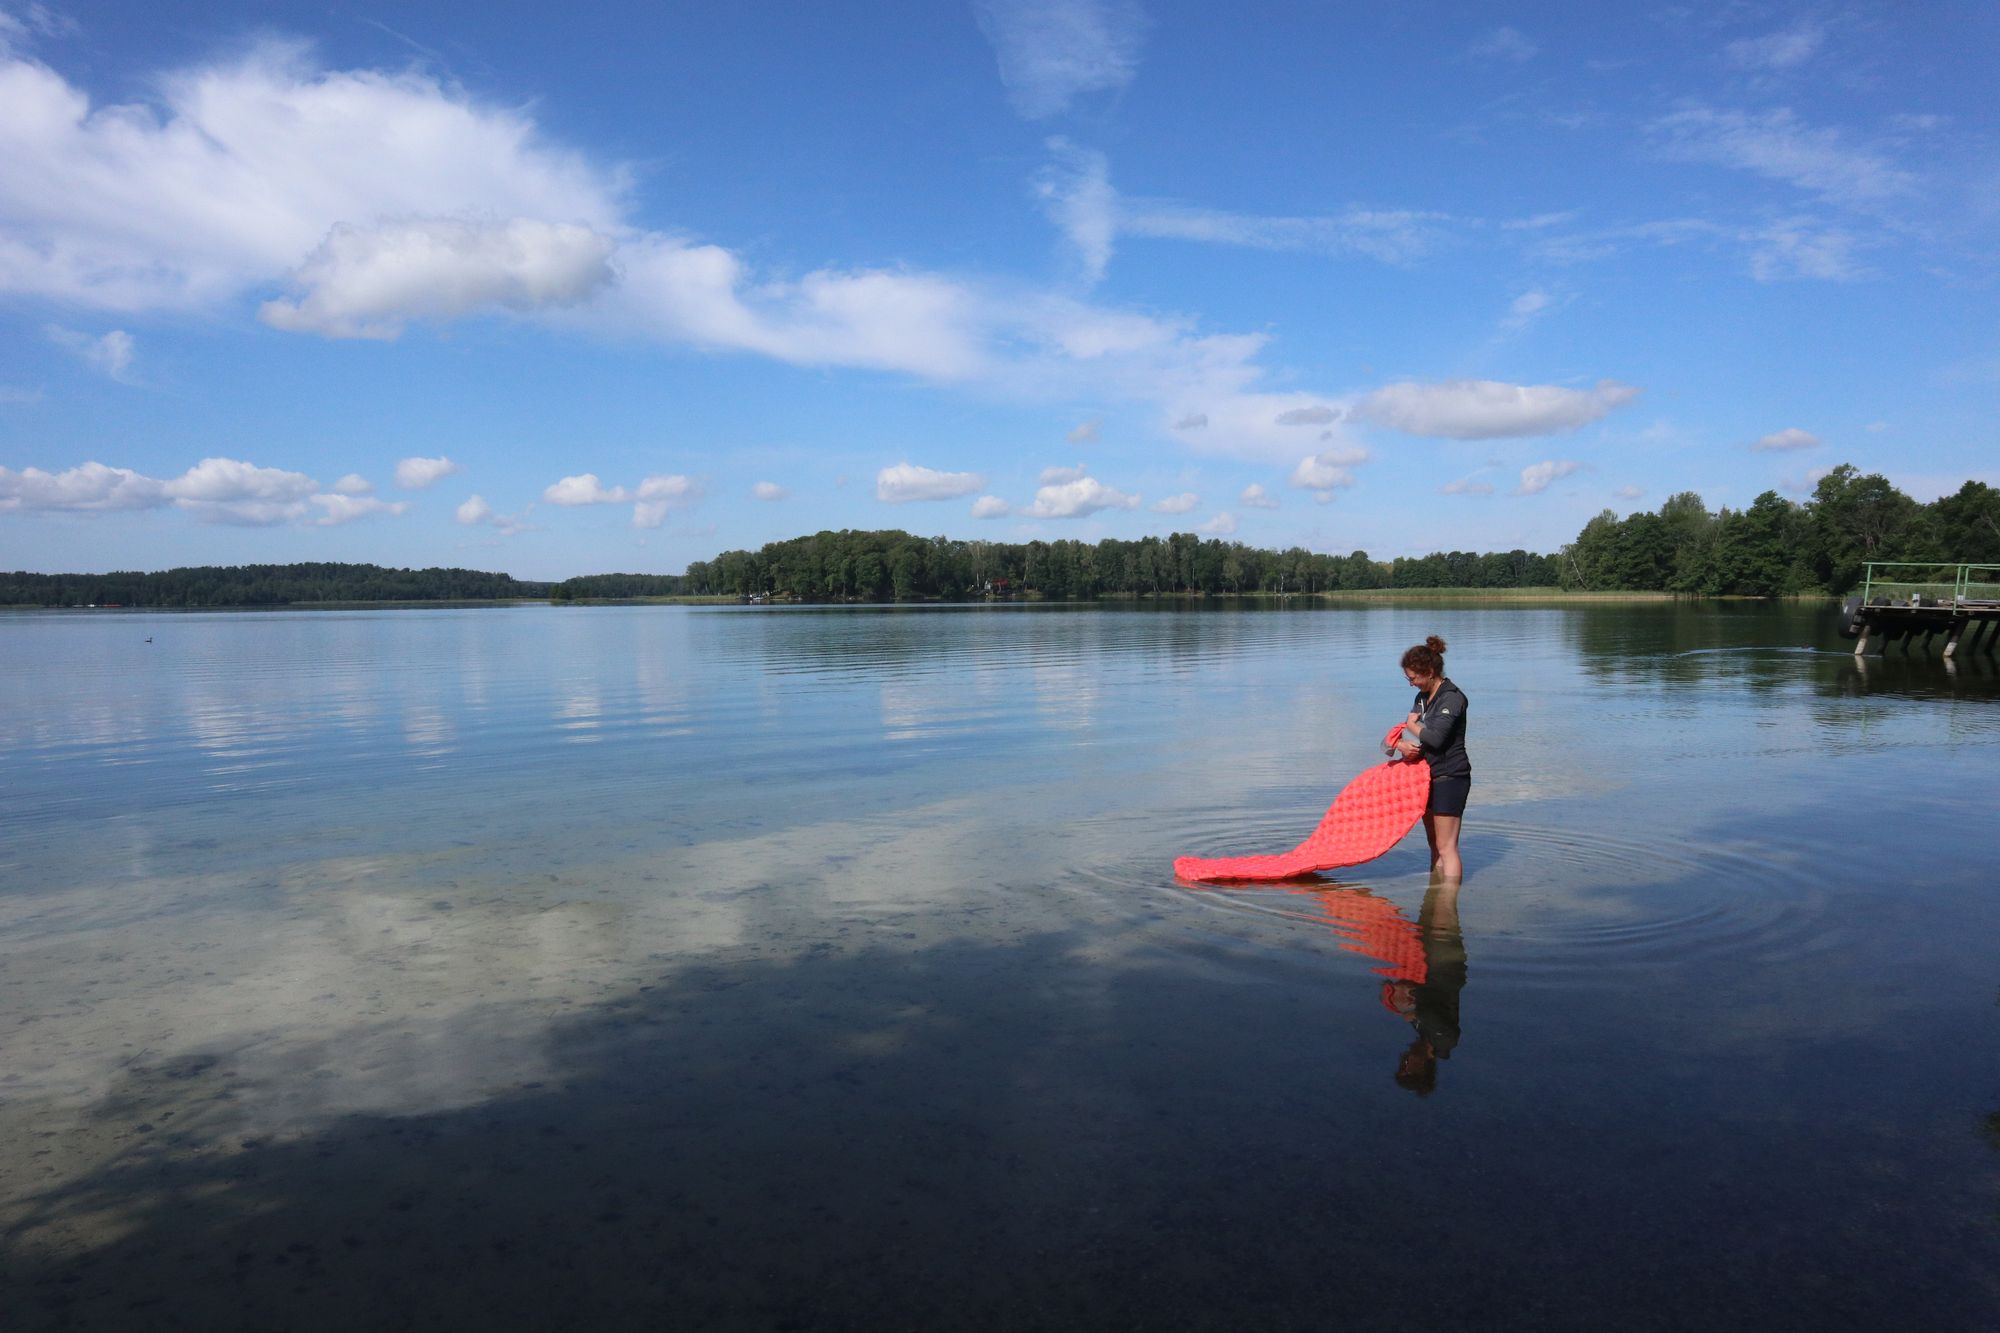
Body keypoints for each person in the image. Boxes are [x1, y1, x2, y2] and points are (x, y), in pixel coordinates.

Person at [1393, 635, 1469, 878]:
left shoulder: (1453, 698)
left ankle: (1448, 906)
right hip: (1428, 776)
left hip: (1451, 776)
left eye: (1413, 678)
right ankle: (1436, 897)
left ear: (1429, 671)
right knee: (1434, 845)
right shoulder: (1422, 697)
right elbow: (1422, 739)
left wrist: (1411, 725)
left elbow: (1435, 738)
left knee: (1447, 847)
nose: (1411, 683)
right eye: (1408, 678)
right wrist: (1403, 745)